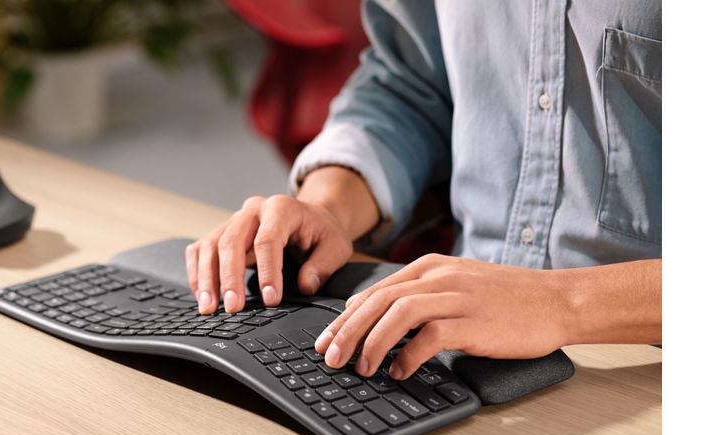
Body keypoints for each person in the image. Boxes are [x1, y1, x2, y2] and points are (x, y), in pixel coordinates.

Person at [185, 0, 661, 381]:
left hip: (641, 374)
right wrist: (327, 206)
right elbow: (411, 85)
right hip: (454, 339)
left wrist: (561, 303)